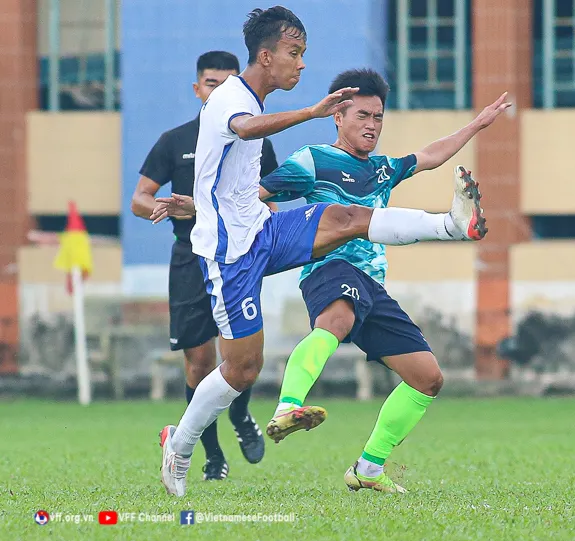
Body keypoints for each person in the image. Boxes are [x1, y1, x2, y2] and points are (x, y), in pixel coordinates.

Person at [152, 6, 497, 498]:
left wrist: (476, 125)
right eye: (294, 53)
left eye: (303, 53)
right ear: (266, 56)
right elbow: (245, 129)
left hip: (264, 231)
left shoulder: (370, 160)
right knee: (242, 368)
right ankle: (181, 442)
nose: (301, 64)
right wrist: (310, 113)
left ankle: (452, 225)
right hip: (230, 252)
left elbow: (242, 182)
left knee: (346, 218)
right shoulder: (231, 97)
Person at [257, 69, 510, 493]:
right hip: (329, 269)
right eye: (362, 115)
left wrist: (477, 124)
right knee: (335, 322)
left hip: (372, 285)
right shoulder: (313, 160)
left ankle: (368, 468)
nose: (372, 124)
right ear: (338, 116)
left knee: (427, 378)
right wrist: (197, 208)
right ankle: (288, 406)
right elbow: (255, 195)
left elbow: (429, 156)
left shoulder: (381, 169)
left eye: (378, 116)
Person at [131, 51, 273, 481]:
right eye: (212, 84)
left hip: (236, 254)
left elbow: (271, 192)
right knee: (198, 361)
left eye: (228, 83)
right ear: (198, 89)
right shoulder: (175, 140)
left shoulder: (254, 135)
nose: (220, 91)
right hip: (189, 257)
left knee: (239, 354)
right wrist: (163, 208)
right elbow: (139, 198)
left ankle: (241, 416)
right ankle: (212, 455)